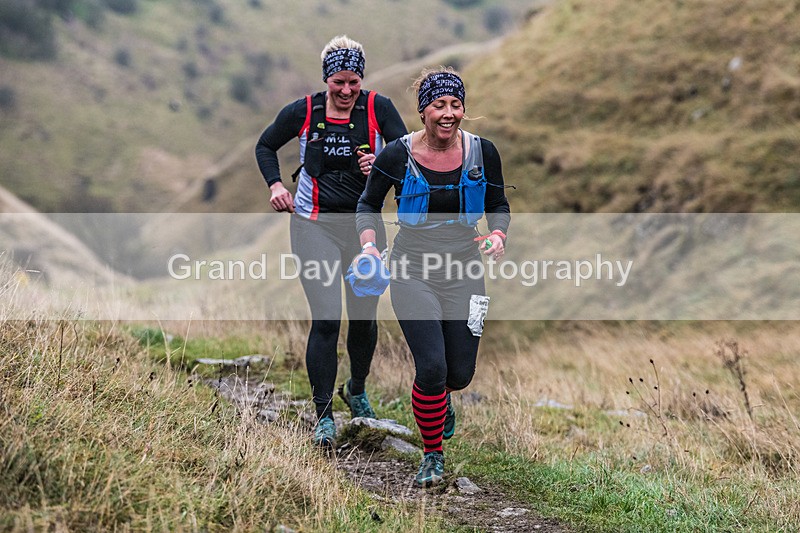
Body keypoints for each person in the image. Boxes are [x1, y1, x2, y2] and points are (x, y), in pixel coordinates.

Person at [356, 67, 511, 487]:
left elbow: (498, 203)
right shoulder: (396, 155)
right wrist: (370, 245)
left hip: (465, 269)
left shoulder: (483, 151)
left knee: (459, 375)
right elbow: (367, 206)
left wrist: (497, 233)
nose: (448, 113)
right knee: (432, 368)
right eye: (439, 105)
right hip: (412, 270)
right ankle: (432, 455)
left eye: (455, 104)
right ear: (423, 110)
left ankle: (441, 399)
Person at [255, 35, 407, 448]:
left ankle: (356, 389)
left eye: (353, 82)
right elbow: (266, 144)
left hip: (364, 228)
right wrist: (274, 186)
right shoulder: (305, 111)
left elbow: (408, 157)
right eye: (337, 82)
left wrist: (381, 164)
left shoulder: (379, 109)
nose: (345, 90)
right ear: (326, 79)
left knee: (363, 317)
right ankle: (323, 416)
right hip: (313, 225)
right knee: (326, 319)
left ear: (362, 79)